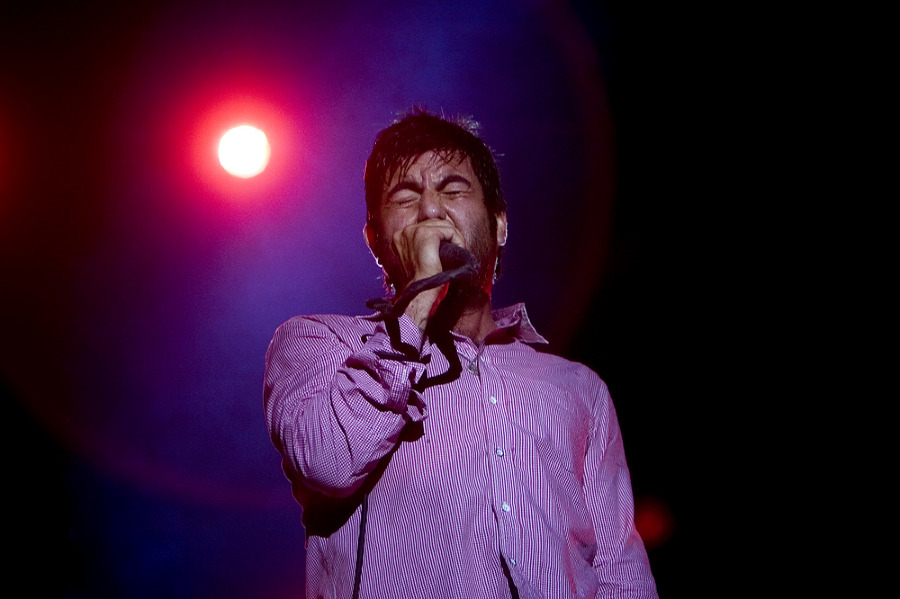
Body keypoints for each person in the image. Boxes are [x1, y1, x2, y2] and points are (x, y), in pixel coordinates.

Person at [263, 108, 658, 599]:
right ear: (375, 241)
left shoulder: (579, 388)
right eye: (405, 197)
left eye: (453, 191)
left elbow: (621, 570)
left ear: (499, 225)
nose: (431, 210)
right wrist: (420, 300)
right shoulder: (320, 344)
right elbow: (329, 462)